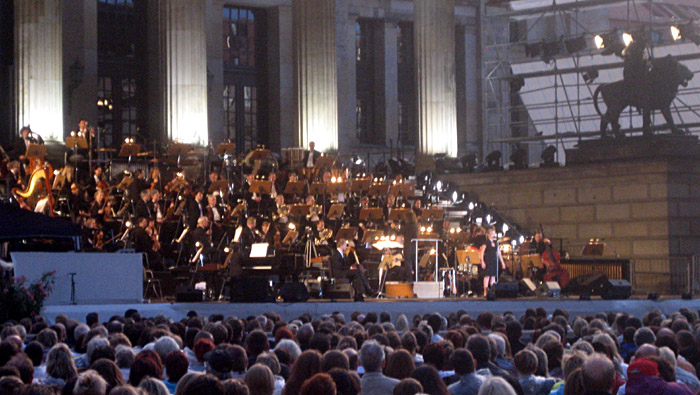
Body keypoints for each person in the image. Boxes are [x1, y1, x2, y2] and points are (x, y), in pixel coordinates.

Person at [478, 226, 506, 297]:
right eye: (492, 233)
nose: (494, 235)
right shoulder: (486, 242)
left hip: (494, 261)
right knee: (487, 276)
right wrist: (482, 261)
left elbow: (499, 253)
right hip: (488, 260)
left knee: (493, 276)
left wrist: (502, 262)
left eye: (494, 233)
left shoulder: (496, 242)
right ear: (489, 234)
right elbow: (482, 252)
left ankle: (493, 290)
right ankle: (485, 290)